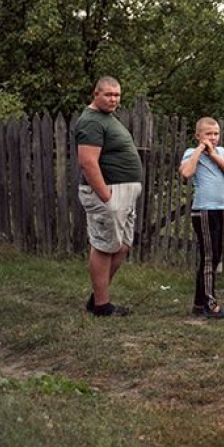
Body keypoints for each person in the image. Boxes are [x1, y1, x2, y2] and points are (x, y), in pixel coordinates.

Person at [76, 76, 143, 317]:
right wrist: (106, 196)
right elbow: (87, 162)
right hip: (108, 193)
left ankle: (97, 297)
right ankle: (102, 306)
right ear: (96, 94)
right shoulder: (91, 121)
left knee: (122, 246)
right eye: (108, 94)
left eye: (117, 95)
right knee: (104, 246)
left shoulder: (106, 119)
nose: (114, 99)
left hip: (123, 192)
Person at [179, 117, 224, 319]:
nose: (212, 138)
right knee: (208, 257)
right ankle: (210, 304)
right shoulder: (191, 153)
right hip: (203, 210)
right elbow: (186, 172)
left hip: (219, 209)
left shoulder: (221, 152)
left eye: (215, 134)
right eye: (208, 134)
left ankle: (199, 303)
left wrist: (213, 153)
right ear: (198, 136)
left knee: (214, 256)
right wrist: (199, 150)